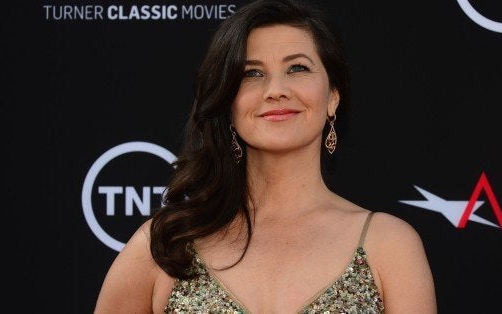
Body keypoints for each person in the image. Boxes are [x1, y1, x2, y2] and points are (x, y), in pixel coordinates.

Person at [94, 0, 437, 312]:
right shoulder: (167, 245)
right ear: (228, 103)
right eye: (252, 74)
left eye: (298, 68)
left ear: (333, 96)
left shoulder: (389, 246)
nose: (276, 91)